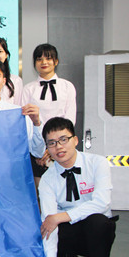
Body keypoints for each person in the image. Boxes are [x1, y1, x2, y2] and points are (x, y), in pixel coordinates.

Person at [39, 117, 116, 257]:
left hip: (95, 229)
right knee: (46, 227)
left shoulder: (97, 163)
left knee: (99, 222)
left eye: (63, 139)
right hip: (68, 232)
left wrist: (61, 216)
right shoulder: (47, 180)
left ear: (75, 140)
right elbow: (49, 223)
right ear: (47, 148)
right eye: (52, 143)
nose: (58, 147)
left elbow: (102, 203)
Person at [21, 43, 77, 184]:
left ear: (56, 61)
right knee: (39, 191)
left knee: (64, 187)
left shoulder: (67, 86)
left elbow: (70, 119)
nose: (44, 62)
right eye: (39, 59)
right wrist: (39, 149)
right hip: (36, 148)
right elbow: (25, 122)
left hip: (62, 146)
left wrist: (54, 146)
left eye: (48, 58)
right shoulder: (28, 89)